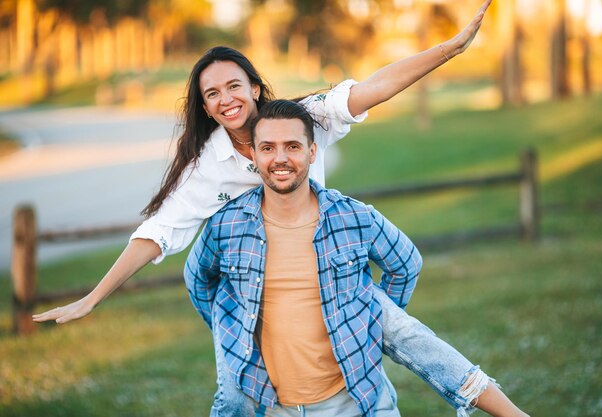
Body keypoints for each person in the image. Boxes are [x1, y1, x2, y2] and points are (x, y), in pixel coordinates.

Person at [32, 1, 524, 416]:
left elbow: (374, 87)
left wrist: (449, 49)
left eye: (233, 86)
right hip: (260, 293)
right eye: (212, 94)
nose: (226, 99)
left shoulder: (303, 118)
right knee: (237, 389)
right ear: (205, 108)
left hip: (330, 261)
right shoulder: (207, 169)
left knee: (413, 338)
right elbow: (160, 236)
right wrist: (93, 297)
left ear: (254, 87)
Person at [184, 99, 528, 417]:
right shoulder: (226, 225)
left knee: (411, 335)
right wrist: (235, 327)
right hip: (272, 407)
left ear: (312, 151)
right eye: (268, 148)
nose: (280, 159)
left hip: (355, 403)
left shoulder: (354, 217)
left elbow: (406, 264)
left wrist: (366, 321)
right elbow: (198, 279)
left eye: (292, 146)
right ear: (255, 156)